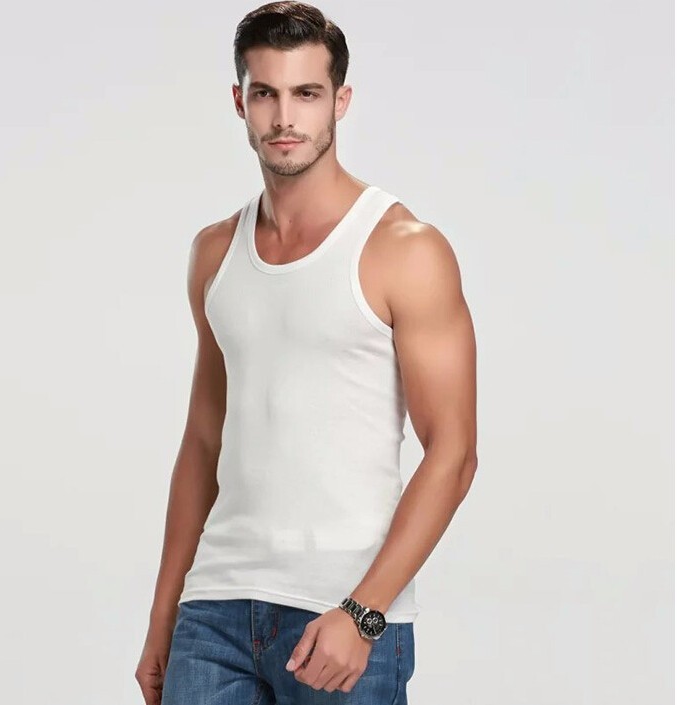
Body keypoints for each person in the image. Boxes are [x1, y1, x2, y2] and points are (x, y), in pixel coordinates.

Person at [136, 2, 478, 703]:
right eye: (265, 93)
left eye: (307, 93)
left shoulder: (402, 249)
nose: (284, 117)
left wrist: (364, 612)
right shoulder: (214, 253)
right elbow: (202, 442)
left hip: (341, 612)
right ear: (240, 101)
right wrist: (163, 616)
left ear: (340, 101)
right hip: (213, 612)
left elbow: (453, 451)